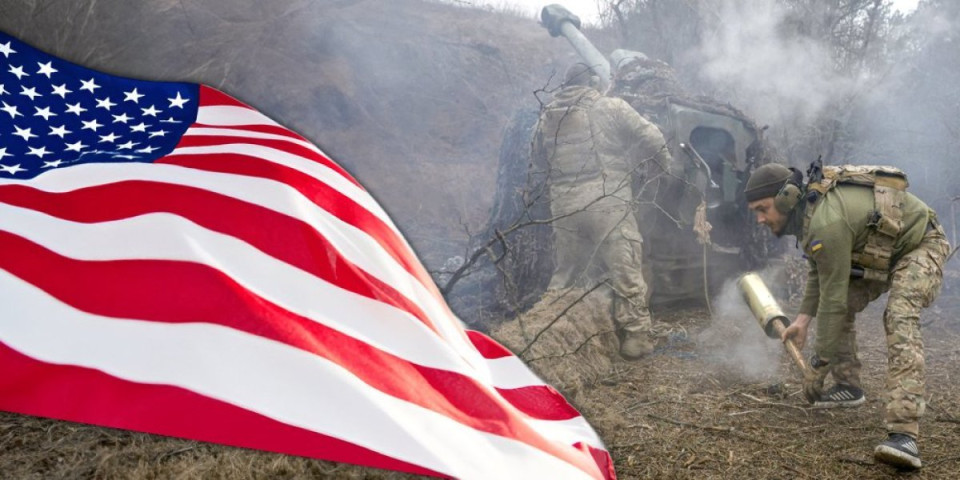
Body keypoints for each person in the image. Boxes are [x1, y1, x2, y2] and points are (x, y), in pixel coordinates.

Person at [744, 162, 950, 470]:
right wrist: (802, 320)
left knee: (899, 316)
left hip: (921, 244)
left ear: (786, 198)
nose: (760, 219)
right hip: (881, 252)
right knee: (844, 304)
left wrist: (819, 365)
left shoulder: (825, 221)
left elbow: (833, 299)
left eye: (763, 208)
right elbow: (820, 271)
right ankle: (848, 386)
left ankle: (904, 435)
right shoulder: (809, 217)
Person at [532, 63, 674, 360]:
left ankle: (544, 332)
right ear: (593, 82)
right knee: (626, 268)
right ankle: (635, 336)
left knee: (566, 273)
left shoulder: (546, 118)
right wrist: (664, 167)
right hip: (607, 203)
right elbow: (652, 137)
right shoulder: (609, 107)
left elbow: (538, 164)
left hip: (565, 206)